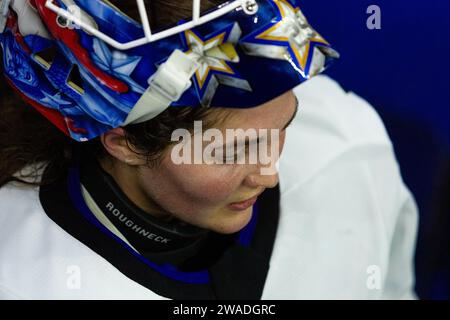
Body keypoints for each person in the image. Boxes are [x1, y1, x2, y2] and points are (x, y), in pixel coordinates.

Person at [0, 0, 418, 299]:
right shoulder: (19, 278)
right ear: (123, 140)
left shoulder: (350, 142)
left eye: (286, 123)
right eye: (233, 151)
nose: (270, 173)